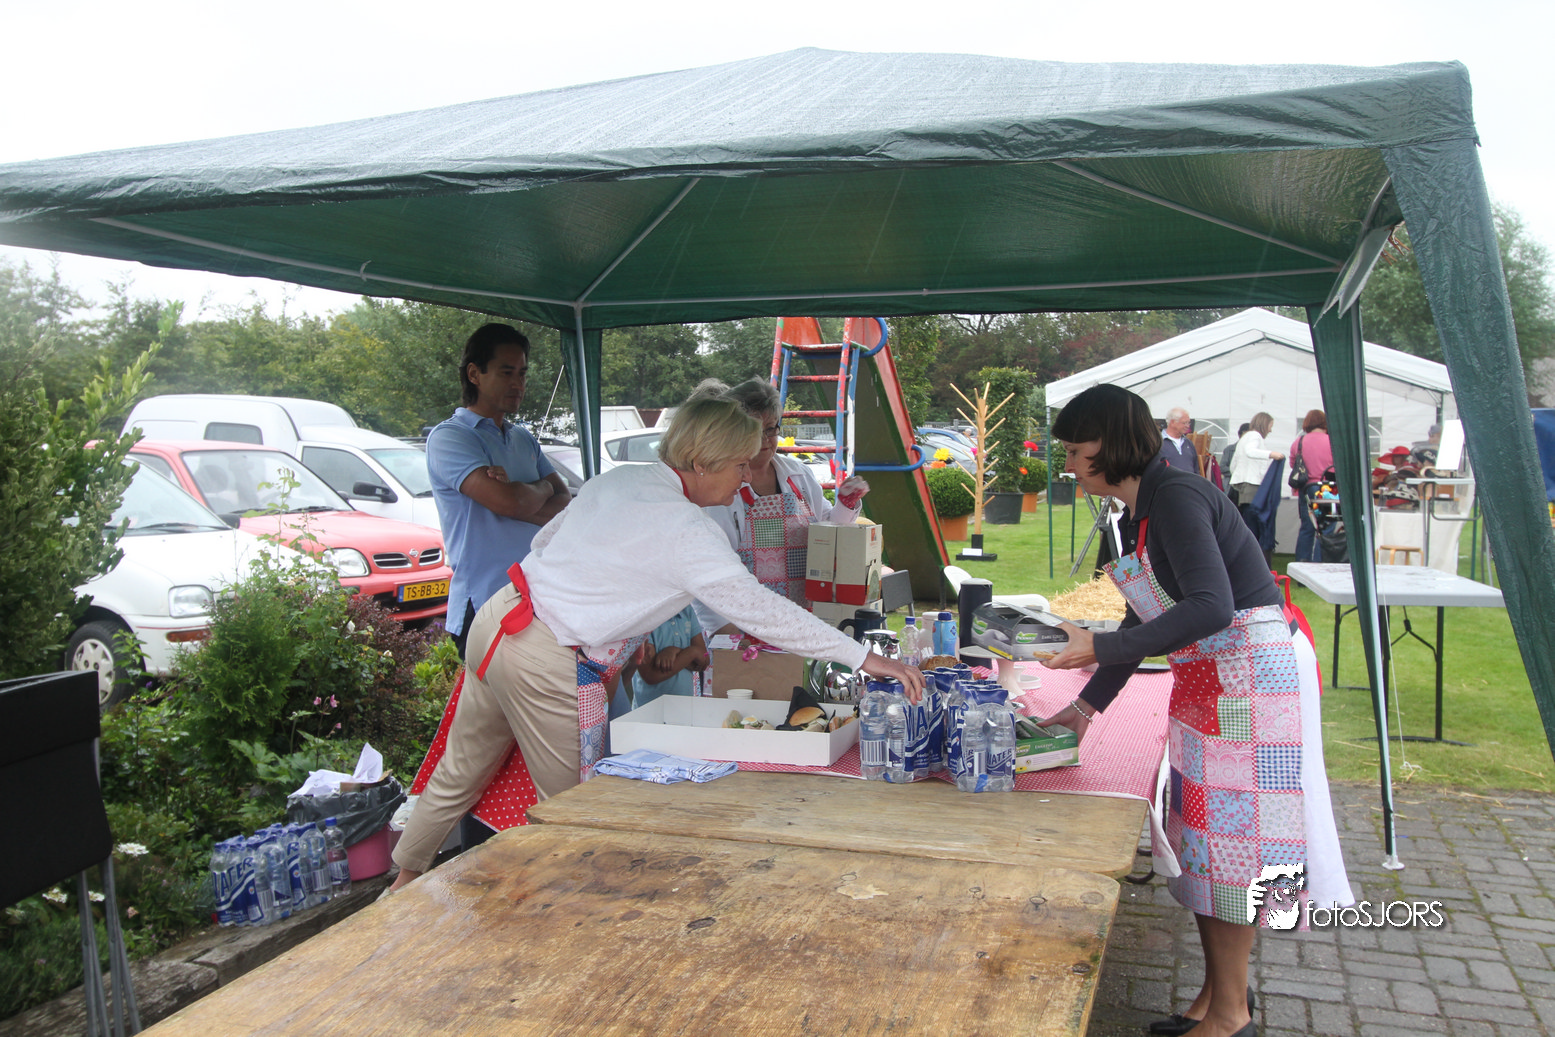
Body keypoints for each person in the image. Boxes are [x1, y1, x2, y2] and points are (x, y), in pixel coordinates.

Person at [388, 395, 924, 893]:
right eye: (739, 465)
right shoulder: (688, 529)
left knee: (460, 771)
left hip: (500, 617)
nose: (746, 478)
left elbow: (546, 541)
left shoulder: (621, 479)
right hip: (544, 652)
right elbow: (763, 610)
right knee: (576, 810)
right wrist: (864, 657)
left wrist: (618, 612)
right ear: (702, 462)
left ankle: (401, 885)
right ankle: (572, 917)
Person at [1037, 384, 1351, 1037]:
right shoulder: (1143, 507)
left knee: (1232, 850)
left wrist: (1099, 645)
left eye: (1073, 449)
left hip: (1248, 683)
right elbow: (1144, 614)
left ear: (1110, 443)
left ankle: (1231, 1015)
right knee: (1207, 845)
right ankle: (1216, 996)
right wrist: (1086, 706)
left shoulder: (1176, 497)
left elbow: (1210, 606)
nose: (1067, 463)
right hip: (1215, 682)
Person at [426, 323, 571, 658]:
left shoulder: (522, 438)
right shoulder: (451, 437)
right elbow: (509, 503)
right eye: (507, 373)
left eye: (522, 373)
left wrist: (522, 494)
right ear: (474, 374)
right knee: (494, 697)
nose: (518, 384)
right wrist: (531, 494)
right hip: (484, 604)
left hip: (536, 601)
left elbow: (565, 505)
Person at [694, 378, 871, 630]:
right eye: (755, 431)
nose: (765, 440)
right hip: (746, 625)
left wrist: (845, 505)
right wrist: (723, 634)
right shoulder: (720, 490)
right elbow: (709, 577)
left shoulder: (799, 475)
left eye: (771, 429)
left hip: (804, 618)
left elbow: (828, 536)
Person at [1289, 410, 1333, 564]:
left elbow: (1293, 465)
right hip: (1327, 490)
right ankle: (1320, 563)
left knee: (1307, 528)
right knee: (1327, 528)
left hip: (1306, 488)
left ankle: (1302, 564)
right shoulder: (1332, 441)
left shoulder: (1299, 442)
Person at [1227, 412, 1283, 523]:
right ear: (1264, 424)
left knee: (1243, 519)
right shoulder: (1255, 436)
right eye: (1270, 426)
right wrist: (1271, 454)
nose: (1270, 430)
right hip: (1252, 485)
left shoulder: (1244, 438)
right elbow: (1250, 451)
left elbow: (1233, 465)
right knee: (1251, 521)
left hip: (1241, 487)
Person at [1156, 407, 1199, 472]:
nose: (1188, 426)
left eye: (1188, 423)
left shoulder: (1188, 443)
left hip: (1189, 479)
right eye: (1184, 423)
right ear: (1172, 422)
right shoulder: (1158, 443)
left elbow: (1196, 469)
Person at [1220, 423, 1250, 501]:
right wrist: (1238, 473)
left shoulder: (1253, 451)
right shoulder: (1230, 449)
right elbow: (1222, 467)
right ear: (1240, 435)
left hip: (1248, 487)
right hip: (1231, 486)